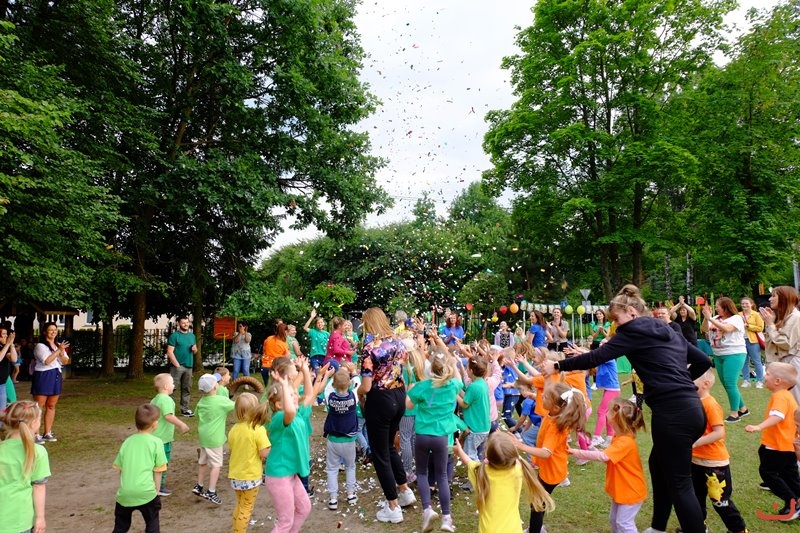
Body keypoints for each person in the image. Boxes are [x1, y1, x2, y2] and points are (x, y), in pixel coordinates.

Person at [540, 284, 712, 533]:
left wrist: (557, 366)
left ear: (632, 312)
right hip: (691, 410)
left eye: (616, 319)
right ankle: (657, 527)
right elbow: (703, 361)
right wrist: (683, 383)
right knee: (658, 465)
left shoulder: (632, 330)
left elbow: (596, 357)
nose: (615, 325)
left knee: (680, 483)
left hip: (673, 415)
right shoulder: (667, 330)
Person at [357, 307, 416, 523]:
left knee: (380, 453)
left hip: (380, 399)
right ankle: (404, 489)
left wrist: (358, 392)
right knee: (389, 446)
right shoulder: (399, 343)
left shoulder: (370, 349)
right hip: (399, 395)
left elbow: (366, 385)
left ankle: (393, 506)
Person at [514, 382, 588, 533]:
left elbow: (546, 452)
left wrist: (520, 445)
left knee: (537, 504)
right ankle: (536, 528)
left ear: (556, 407)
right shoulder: (554, 415)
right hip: (549, 468)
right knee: (538, 501)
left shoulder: (555, 426)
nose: (542, 396)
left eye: (546, 396)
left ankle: (535, 530)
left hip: (552, 472)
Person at [568, 397, 647, 533]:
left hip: (630, 489)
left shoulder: (625, 441)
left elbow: (604, 456)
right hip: (623, 488)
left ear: (617, 418)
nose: (606, 412)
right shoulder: (619, 436)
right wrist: (591, 447)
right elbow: (609, 457)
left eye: (609, 411)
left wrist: (576, 452)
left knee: (624, 523)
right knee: (614, 519)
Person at [453, 432, 554, 533]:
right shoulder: (518, 470)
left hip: (488, 530)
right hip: (513, 529)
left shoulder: (480, 472)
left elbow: (467, 461)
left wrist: (460, 451)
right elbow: (517, 459)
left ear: (487, 455)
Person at [407, 351, 462, 533]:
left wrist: (411, 389)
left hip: (423, 435)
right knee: (442, 476)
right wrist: (454, 364)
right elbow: (459, 378)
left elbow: (408, 405)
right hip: (441, 437)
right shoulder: (453, 385)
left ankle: (427, 510)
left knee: (422, 473)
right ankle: (446, 518)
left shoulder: (422, 387)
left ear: (430, 369)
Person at [690, 369, 748, 533]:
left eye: (691, 379)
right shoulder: (692, 401)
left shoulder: (710, 404)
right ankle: (698, 526)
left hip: (714, 464)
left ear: (705, 384)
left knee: (720, 501)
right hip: (694, 461)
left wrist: (695, 443)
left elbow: (719, 432)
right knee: (695, 497)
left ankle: (738, 529)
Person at [264, 358, 316, 533]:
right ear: (279, 404)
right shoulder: (280, 418)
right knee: (285, 521)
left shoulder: (298, 415)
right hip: (279, 475)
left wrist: (305, 371)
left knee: (304, 508)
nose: (296, 397)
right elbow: (290, 411)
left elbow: (308, 396)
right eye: (291, 396)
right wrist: (285, 387)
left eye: (294, 395)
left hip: (290, 474)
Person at [745, 362, 800, 520]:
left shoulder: (779, 396)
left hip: (776, 446)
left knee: (768, 473)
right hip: (788, 445)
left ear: (777, 381)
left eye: (767, 373)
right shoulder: (787, 395)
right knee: (790, 476)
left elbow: (778, 416)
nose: (764, 376)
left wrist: (759, 426)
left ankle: (792, 504)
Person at [112, 404, 168, 533]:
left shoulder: (127, 442)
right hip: (147, 492)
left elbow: (120, 468)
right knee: (152, 523)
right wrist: (157, 491)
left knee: (120, 527)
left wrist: (126, 486)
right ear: (155, 424)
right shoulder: (156, 442)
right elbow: (159, 470)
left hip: (125, 494)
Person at [0, 401, 50, 533]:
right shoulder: (38, 452)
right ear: (34, 423)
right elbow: (39, 486)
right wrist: (40, 517)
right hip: (20, 520)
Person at [227, 392, 271, 533]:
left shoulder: (234, 429)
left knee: (240, 505)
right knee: (246, 508)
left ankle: (236, 529)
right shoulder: (258, 429)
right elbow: (264, 453)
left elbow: (232, 448)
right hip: (250, 476)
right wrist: (272, 448)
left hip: (235, 475)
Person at [701, 297, 749, 422]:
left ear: (726, 307)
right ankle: (743, 409)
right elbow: (704, 329)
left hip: (734, 353)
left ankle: (734, 414)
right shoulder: (715, 318)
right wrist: (707, 317)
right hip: (718, 354)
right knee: (726, 384)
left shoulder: (736, 318)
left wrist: (710, 318)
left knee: (730, 383)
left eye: (718, 306)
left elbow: (727, 329)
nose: (716, 308)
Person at [193, 373, 235, 505]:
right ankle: (211, 491)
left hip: (204, 437)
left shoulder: (201, 401)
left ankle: (199, 486)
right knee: (216, 465)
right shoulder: (221, 401)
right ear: (216, 387)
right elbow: (235, 405)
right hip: (215, 438)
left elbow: (196, 414)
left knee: (203, 461)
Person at [323, 366, 359, 511]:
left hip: (333, 439)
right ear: (349, 384)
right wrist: (354, 373)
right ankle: (351, 494)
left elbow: (326, 389)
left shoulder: (330, 398)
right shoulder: (353, 397)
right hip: (349, 440)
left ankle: (333, 498)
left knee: (332, 469)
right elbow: (358, 384)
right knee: (350, 467)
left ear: (333, 384)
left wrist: (329, 375)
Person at [150, 373, 189, 496]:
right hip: (163, 439)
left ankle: (151, 484)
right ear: (166, 386)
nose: (174, 385)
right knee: (162, 463)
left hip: (153, 437)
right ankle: (159, 486)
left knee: (153, 462)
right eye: (172, 383)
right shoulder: (166, 399)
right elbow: (168, 416)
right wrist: (181, 424)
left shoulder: (155, 399)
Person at [760, 286, 800, 405]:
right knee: (785, 400)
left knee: (795, 401)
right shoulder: (785, 317)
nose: (770, 299)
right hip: (785, 362)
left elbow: (785, 343)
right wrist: (771, 321)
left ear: (784, 298)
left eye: (774, 296)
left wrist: (770, 324)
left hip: (792, 362)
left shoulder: (795, 317)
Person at [31, 321, 70, 442]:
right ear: (44, 332)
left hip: (56, 375)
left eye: (55, 330)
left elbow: (65, 361)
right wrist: (59, 350)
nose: (53, 332)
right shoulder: (40, 346)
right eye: (50, 330)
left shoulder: (58, 345)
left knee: (51, 405)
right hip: (43, 375)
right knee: (39, 406)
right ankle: (35, 434)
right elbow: (47, 361)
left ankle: (47, 432)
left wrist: (61, 352)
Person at [166, 317, 197, 417]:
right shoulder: (174, 336)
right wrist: (177, 365)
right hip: (177, 367)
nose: (186, 324)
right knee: (172, 388)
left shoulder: (192, 336)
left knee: (186, 388)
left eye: (187, 322)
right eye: (183, 323)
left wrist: (195, 350)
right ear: (179, 324)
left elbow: (195, 351)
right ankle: (168, 409)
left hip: (189, 366)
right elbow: (170, 352)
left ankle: (185, 409)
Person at [591, 355, 621, 449]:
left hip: (613, 390)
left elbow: (595, 355)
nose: (600, 347)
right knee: (608, 414)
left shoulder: (609, 357)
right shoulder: (606, 357)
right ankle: (609, 438)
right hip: (611, 389)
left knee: (601, 412)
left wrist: (581, 351)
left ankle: (597, 437)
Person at [739, 297, 765, 389]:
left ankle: (759, 381)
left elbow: (760, 328)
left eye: (746, 303)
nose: (744, 305)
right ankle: (746, 380)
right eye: (743, 303)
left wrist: (748, 326)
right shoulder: (738, 315)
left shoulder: (756, 315)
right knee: (744, 361)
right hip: (741, 341)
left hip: (753, 341)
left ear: (751, 304)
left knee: (756, 361)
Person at [261, 322, 290, 387]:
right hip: (276, 369)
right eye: (287, 332)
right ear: (285, 332)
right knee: (277, 389)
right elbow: (287, 358)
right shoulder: (284, 344)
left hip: (264, 367)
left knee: (268, 389)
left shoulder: (268, 339)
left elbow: (264, 350)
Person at [303, 309, 330, 374]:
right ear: (315, 324)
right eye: (318, 323)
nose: (320, 324)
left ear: (324, 323)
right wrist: (312, 317)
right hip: (314, 356)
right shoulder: (313, 332)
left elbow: (330, 345)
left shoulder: (327, 334)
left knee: (324, 374)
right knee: (316, 372)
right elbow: (305, 328)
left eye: (321, 322)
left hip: (324, 356)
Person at [0, 325, 18, 411]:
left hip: (3, 381)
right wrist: (7, 344)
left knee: (4, 408)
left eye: (6, 334)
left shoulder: (4, 346)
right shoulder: (4, 347)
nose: (6, 336)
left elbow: (14, 359)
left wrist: (11, 345)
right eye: (4, 334)